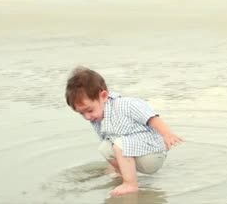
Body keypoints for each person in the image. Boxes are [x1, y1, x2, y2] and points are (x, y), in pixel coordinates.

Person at [65, 66, 183, 196]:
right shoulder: (97, 118)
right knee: (105, 147)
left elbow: (151, 117)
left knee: (120, 144)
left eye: (89, 110)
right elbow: (109, 142)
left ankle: (130, 184)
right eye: (81, 113)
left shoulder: (125, 105)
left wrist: (167, 134)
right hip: (134, 151)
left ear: (103, 96)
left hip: (153, 153)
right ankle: (121, 173)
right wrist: (115, 164)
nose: (87, 117)